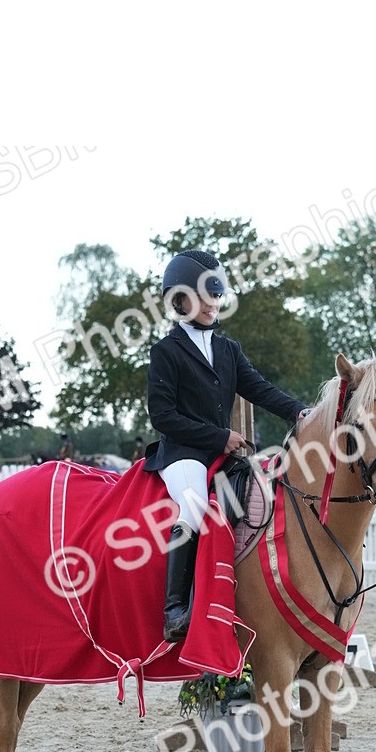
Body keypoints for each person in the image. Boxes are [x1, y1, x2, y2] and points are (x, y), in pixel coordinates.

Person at [144, 249, 308, 642]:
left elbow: (261, 390)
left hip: (224, 456)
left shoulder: (228, 349)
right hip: (183, 454)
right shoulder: (165, 352)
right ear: (178, 300)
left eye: (216, 296)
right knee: (194, 506)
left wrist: (302, 412)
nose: (211, 304)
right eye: (202, 297)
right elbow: (163, 417)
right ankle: (175, 609)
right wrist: (221, 437)